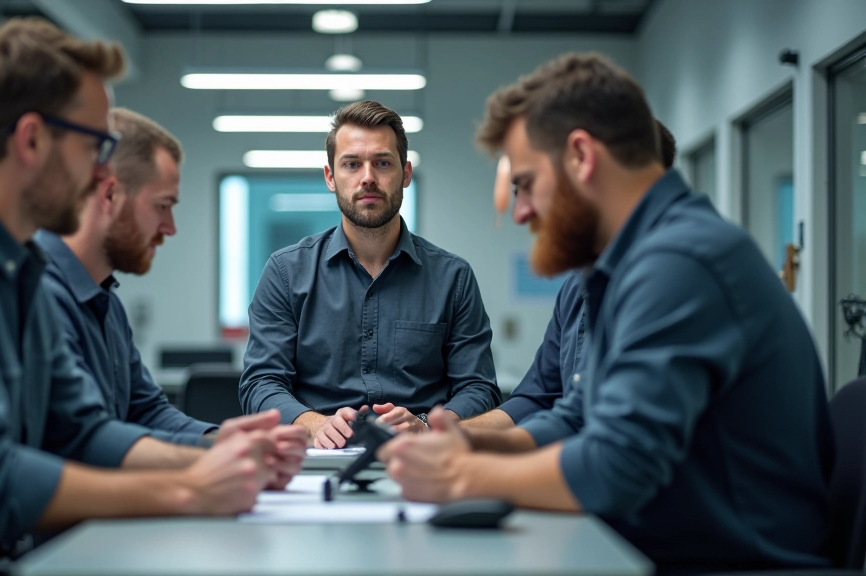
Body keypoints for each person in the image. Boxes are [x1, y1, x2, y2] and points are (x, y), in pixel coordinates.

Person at [0, 18, 278, 574]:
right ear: (31, 140)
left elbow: (80, 431)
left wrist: (215, 457)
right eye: (96, 145)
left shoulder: (15, 265)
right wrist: (188, 489)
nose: (102, 173)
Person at [378, 52, 833, 572]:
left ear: (581, 156)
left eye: (526, 183)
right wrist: (475, 445)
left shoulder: (680, 262)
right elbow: (577, 415)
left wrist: (461, 476)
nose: (521, 212)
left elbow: (618, 466)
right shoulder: (631, 263)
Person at [37, 106, 306, 488]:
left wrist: (219, 440)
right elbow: (81, 437)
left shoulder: (104, 301)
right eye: (162, 206)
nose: (170, 227)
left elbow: (146, 410)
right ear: (110, 194)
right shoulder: (37, 294)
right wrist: (211, 458)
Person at [240, 100, 501, 449]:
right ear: (330, 177)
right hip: (316, 457)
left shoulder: (453, 278)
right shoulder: (285, 272)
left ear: (405, 173)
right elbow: (261, 383)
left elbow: (479, 388)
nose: (367, 177)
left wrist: (427, 426)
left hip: (422, 455)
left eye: (382, 163)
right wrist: (312, 424)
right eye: (352, 164)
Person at [462, 120, 676, 430]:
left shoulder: (672, 280)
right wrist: (451, 435)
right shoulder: (579, 286)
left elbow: (615, 439)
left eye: (530, 186)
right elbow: (540, 397)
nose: (520, 214)